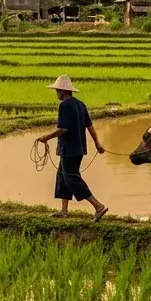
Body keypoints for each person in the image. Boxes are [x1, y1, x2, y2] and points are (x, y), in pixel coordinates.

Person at [36, 75, 109, 221]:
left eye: (57, 90)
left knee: (71, 179)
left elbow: (63, 129)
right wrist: (97, 143)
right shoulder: (80, 104)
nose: (56, 93)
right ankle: (64, 211)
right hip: (78, 148)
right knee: (62, 177)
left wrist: (46, 137)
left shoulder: (64, 105)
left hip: (69, 149)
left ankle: (98, 206)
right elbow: (90, 126)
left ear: (63, 91)